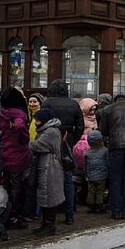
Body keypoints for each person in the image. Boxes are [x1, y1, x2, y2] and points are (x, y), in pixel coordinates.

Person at [0, 87, 30, 229]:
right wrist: (25, 138)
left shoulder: (2, 114)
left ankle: (5, 212)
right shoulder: (20, 115)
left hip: (5, 155)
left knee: (5, 185)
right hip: (18, 155)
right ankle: (14, 216)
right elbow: (20, 126)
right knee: (16, 187)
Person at [43, 80, 84, 225]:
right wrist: (71, 141)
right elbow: (80, 126)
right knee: (67, 179)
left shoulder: (48, 103)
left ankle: (50, 214)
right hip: (67, 144)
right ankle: (69, 214)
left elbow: (41, 123)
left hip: (49, 146)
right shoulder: (74, 104)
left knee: (50, 179)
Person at [28, 108, 65, 237]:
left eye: (38, 119)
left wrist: (31, 142)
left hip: (50, 167)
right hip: (46, 165)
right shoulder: (47, 130)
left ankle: (49, 225)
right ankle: (45, 224)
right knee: (46, 195)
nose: (36, 121)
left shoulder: (50, 131)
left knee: (49, 195)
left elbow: (36, 145)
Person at [84, 130, 108, 214]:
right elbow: (107, 162)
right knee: (99, 190)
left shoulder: (87, 153)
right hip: (102, 175)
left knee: (91, 190)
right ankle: (99, 205)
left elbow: (85, 165)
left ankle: (90, 205)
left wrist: (86, 174)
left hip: (90, 175)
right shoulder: (104, 150)